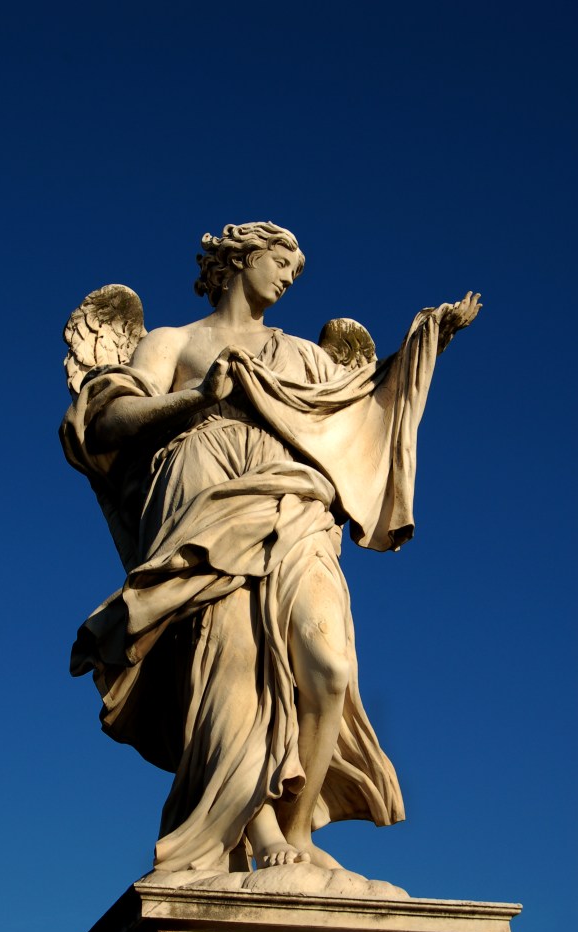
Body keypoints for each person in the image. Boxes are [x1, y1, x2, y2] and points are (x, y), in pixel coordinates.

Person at [61, 222, 480, 873]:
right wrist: (198, 396)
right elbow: (108, 422)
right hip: (203, 509)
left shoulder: (307, 357)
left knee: (328, 668)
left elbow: (361, 412)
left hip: (295, 509)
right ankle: (260, 834)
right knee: (231, 677)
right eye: (279, 262)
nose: (287, 277)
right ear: (236, 261)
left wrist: (424, 344)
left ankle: (296, 828)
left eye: (294, 269)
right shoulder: (173, 341)